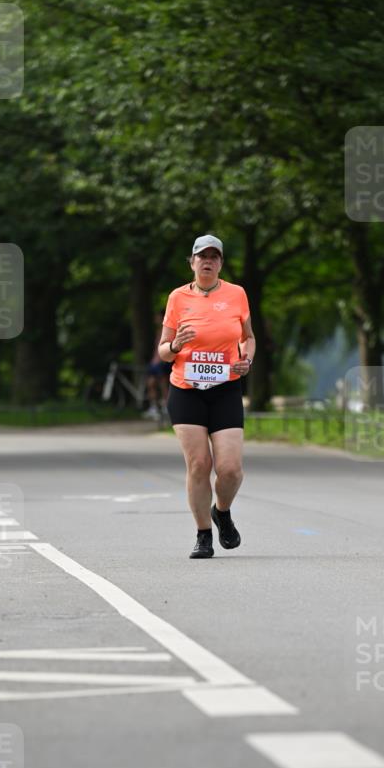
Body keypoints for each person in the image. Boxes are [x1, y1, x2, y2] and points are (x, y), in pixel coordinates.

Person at [159, 234, 255, 558]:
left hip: (226, 387)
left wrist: (247, 359)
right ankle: (203, 534)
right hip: (186, 390)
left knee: (230, 469)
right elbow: (163, 352)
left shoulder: (237, 295)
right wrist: (175, 346)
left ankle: (222, 512)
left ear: (221, 263)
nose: (208, 261)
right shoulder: (177, 298)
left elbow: (249, 337)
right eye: (202, 256)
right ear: (192, 261)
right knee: (199, 464)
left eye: (214, 257)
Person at [144, 313, 172, 420]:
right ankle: (154, 407)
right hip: (155, 363)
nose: (156, 319)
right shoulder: (158, 331)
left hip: (162, 362)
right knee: (151, 383)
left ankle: (166, 406)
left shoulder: (167, 330)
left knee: (163, 383)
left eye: (158, 317)